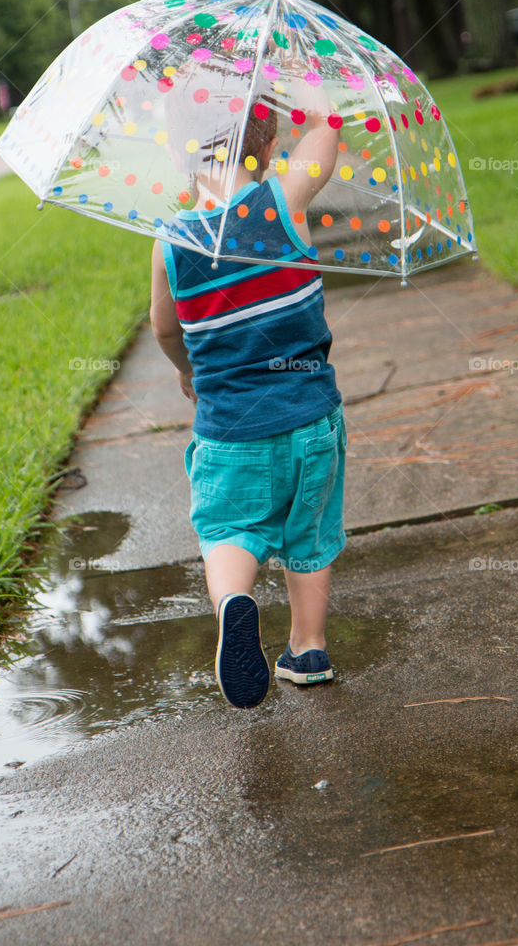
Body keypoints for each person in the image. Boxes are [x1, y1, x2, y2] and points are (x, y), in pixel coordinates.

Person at [149, 78, 346, 708]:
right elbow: (323, 146)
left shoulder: (173, 241)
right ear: (266, 144)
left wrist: (188, 371)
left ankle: (236, 602)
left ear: (181, 153)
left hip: (230, 432)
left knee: (231, 530)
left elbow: (165, 328)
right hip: (311, 420)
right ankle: (307, 650)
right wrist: (320, 116)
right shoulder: (281, 204)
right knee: (309, 536)